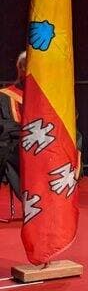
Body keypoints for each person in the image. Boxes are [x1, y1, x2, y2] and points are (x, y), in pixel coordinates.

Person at [1, 53, 28, 194]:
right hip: (17, 146)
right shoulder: (5, 95)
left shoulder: (50, 98)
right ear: (20, 68)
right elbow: (5, 126)